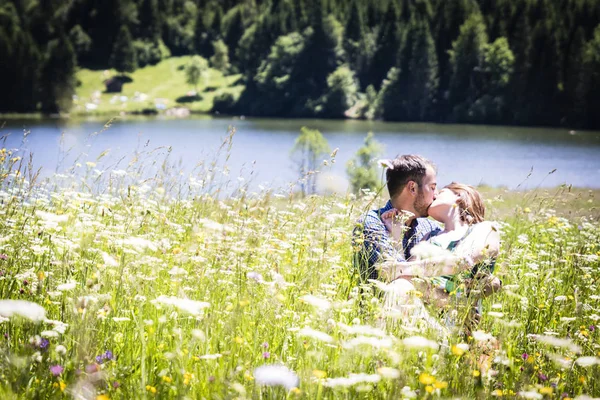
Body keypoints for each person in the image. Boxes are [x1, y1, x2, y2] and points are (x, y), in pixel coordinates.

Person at [378, 182, 500, 325]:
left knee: (400, 286)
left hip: (455, 324)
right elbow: (402, 276)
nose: (434, 195)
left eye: (440, 192)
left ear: (459, 197)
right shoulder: (430, 237)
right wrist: (396, 233)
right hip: (423, 315)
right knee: (399, 286)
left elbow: (462, 261)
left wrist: (399, 269)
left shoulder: (484, 229)